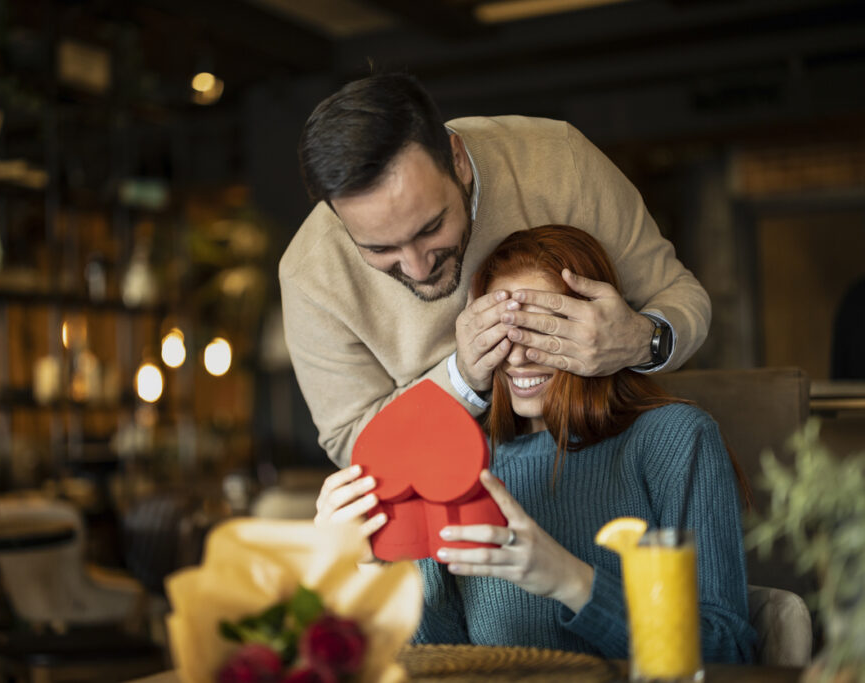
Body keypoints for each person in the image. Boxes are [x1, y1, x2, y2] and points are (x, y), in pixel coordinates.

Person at [315, 225, 756, 661]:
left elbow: (729, 653)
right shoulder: (455, 457)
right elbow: (441, 656)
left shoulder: (676, 439)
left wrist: (569, 580)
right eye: (504, 331)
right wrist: (371, 567)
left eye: (546, 330)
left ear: (596, 331)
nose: (520, 355)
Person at [281, 72, 710, 467]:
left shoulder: (559, 160)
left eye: (431, 227)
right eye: (379, 248)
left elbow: (678, 292)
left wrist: (638, 340)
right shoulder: (311, 277)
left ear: (458, 160)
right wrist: (461, 378)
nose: (417, 267)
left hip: (607, 451)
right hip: (446, 496)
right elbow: (354, 445)